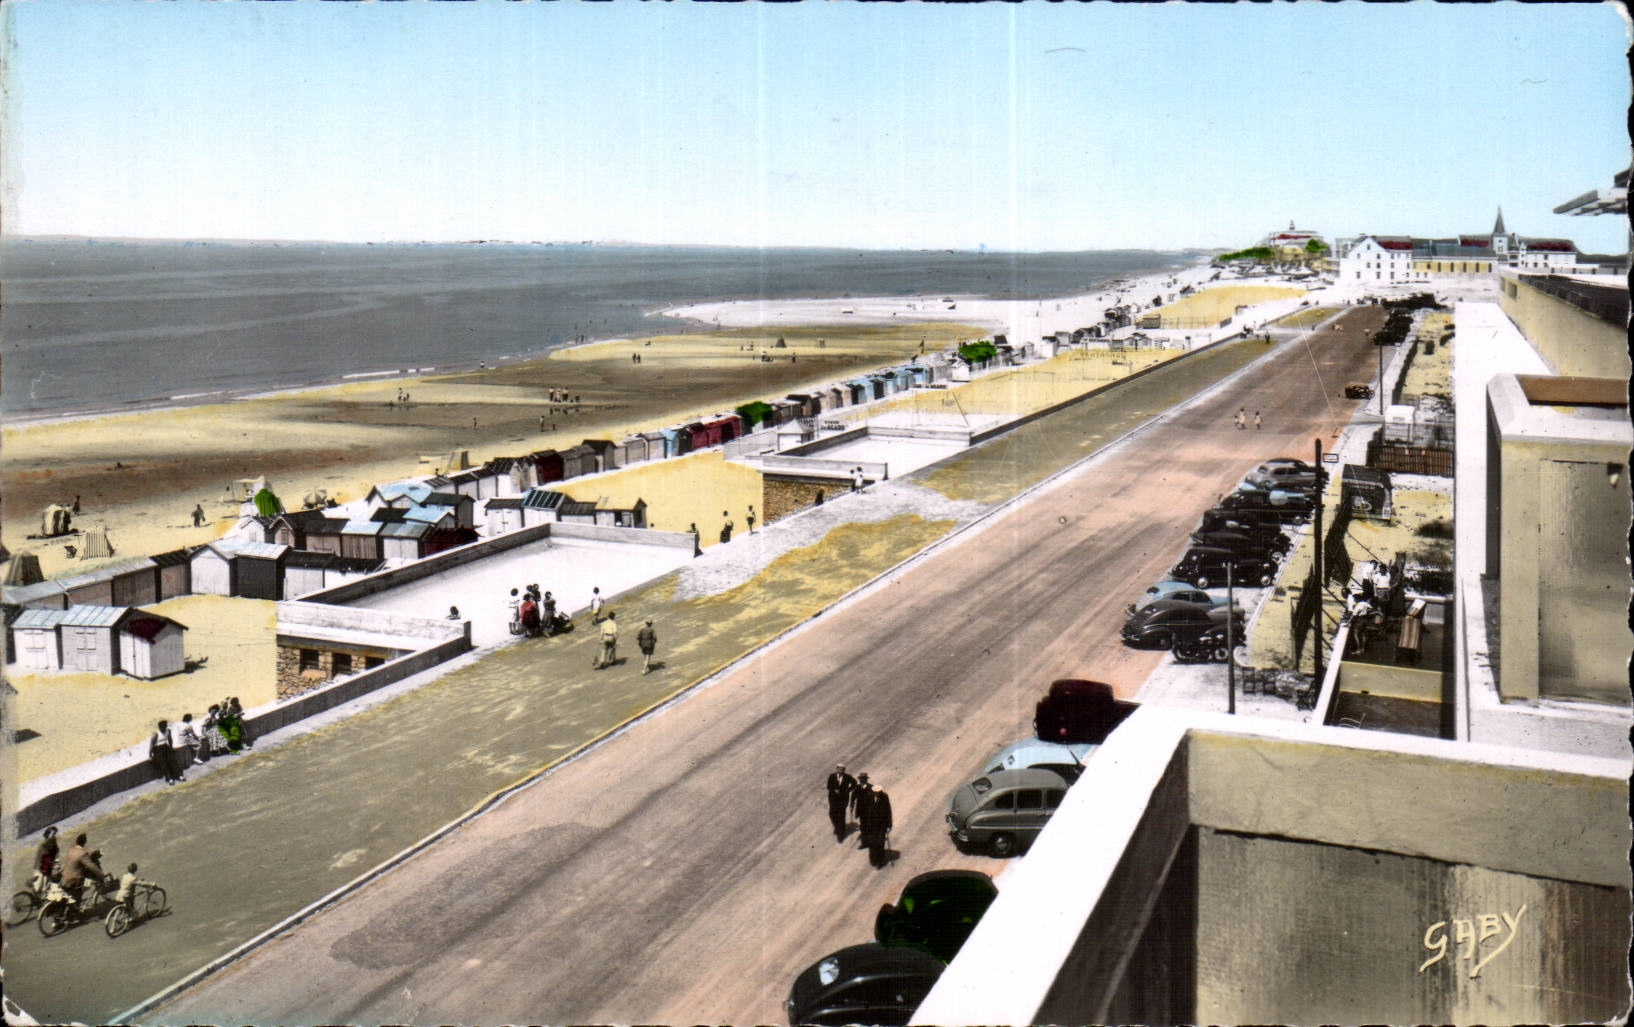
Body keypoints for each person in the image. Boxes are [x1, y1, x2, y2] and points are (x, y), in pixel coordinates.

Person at [854, 774, 894, 867]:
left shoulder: (885, 797)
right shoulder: (869, 797)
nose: (877, 794)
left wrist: (889, 825)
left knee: (880, 843)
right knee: (872, 843)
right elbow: (865, 811)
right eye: (876, 792)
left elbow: (888, 811)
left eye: (879, 792)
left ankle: (880, 861)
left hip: (882, 825)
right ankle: (873, 859)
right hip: (871, 825)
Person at [58, 833, 106, 904]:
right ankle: (77, 911)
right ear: (84, 842)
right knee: (78, 896)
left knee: (70, 896)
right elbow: (91, 866)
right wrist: (100, 874)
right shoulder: (82, 853)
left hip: (65, 876)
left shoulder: (71, 850)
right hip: (74, 880)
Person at [825, 764, 857, 842]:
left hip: (843, 800)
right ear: (836, 769)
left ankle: (841, 835)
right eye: (839, 769)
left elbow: (854, 783)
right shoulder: (832, 776)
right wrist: (834, 789)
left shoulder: (847, 777)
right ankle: (837, 827)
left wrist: (847, 790)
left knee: (841, 816)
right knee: (832, 814)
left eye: (842, 769)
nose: (841, 771)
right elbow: (829, 786)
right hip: (833, 799)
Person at [33, 826, 60, 890]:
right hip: (40, 867)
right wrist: (54, 864)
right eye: (53, 834)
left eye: (55, 834)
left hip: (48, 866)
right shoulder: (43, 844)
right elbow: (45, 856)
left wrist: (56, 860)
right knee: (38, 886)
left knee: (46, 885)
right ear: (48, 834)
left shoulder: (53, 840)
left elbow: (56, 850)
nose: (54, 835)